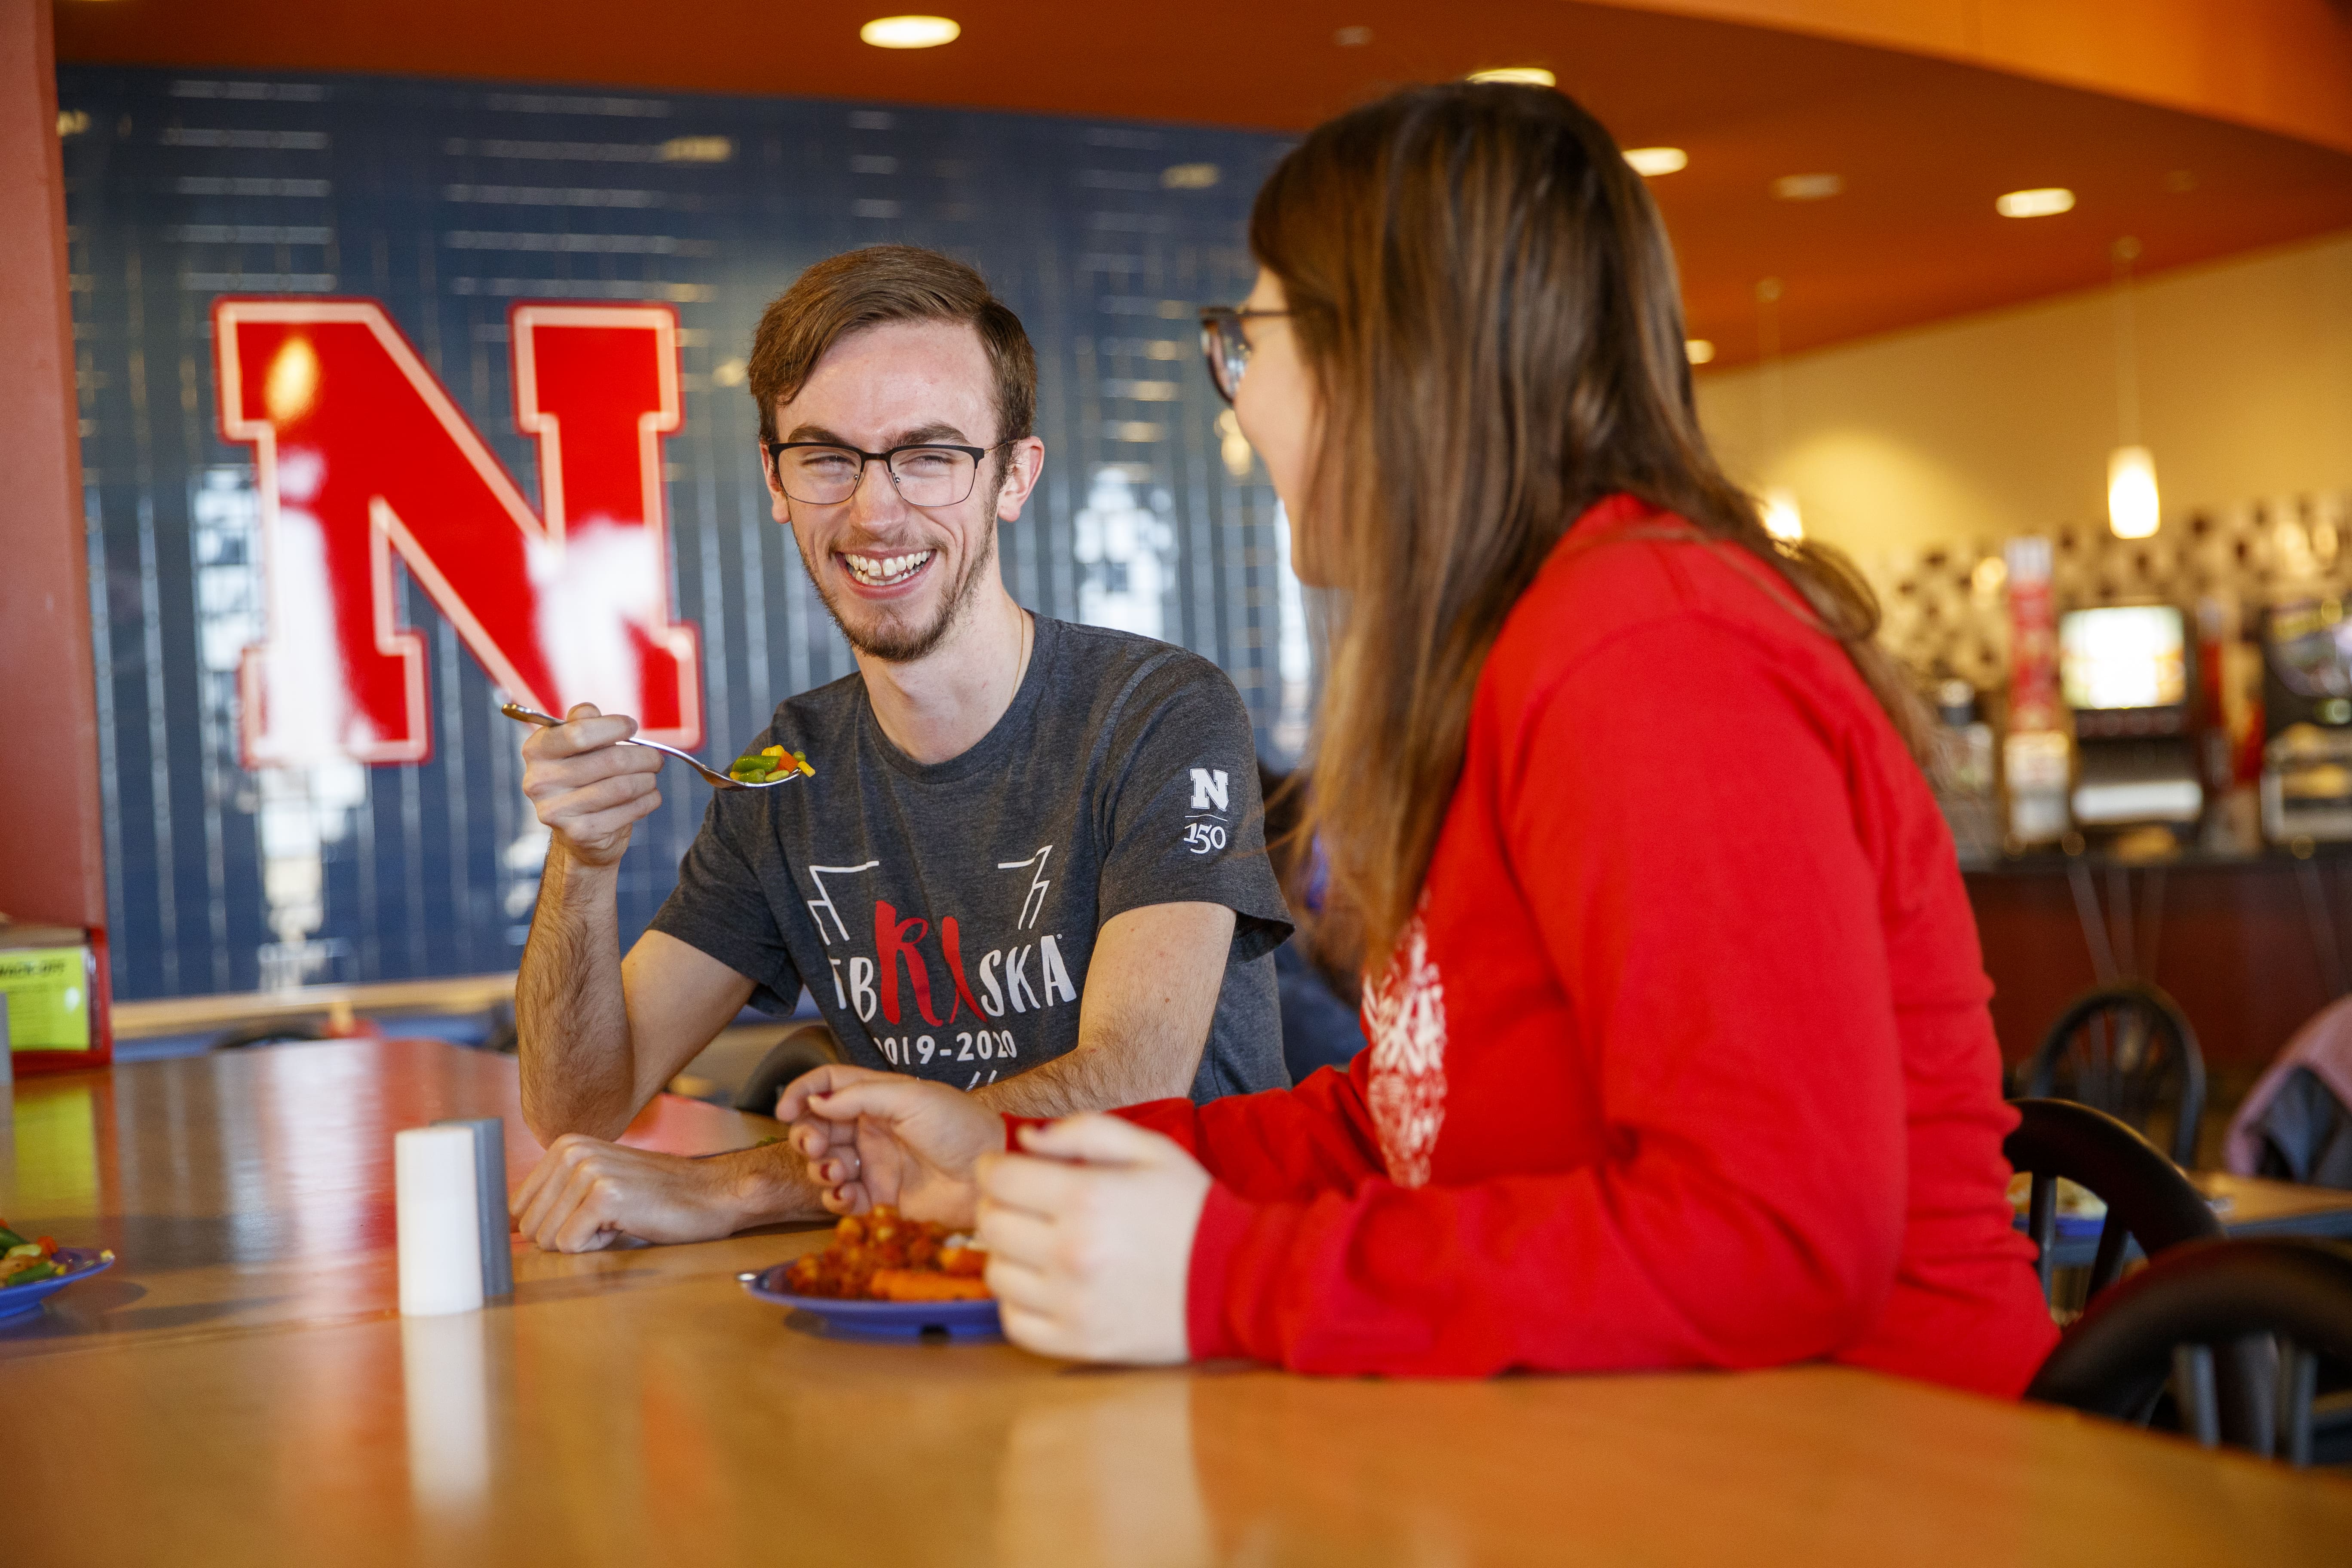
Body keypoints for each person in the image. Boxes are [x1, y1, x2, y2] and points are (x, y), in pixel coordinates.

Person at [773, 86, 2061, 1394]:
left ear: (1386, 361)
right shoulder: (1524, 648)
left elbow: (1774, 1239)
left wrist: (1223, 1277)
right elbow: (1411, 1120)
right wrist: (1007, 1160)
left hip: (1884, 1462)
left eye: (1250, 340)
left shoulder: (1652, 654)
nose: (1239, 403)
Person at [509, 245, 1294, 1253]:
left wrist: (738, 1189)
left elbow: (1131, 1087)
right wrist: (582, 862)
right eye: (828, 457)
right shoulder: (789, 772)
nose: (876, 510)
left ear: (1014, 476)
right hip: (923, 1308)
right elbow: (580, 1110)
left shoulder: (1157, 714)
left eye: (931, 456)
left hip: (1181, 1303)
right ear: (776, 478)